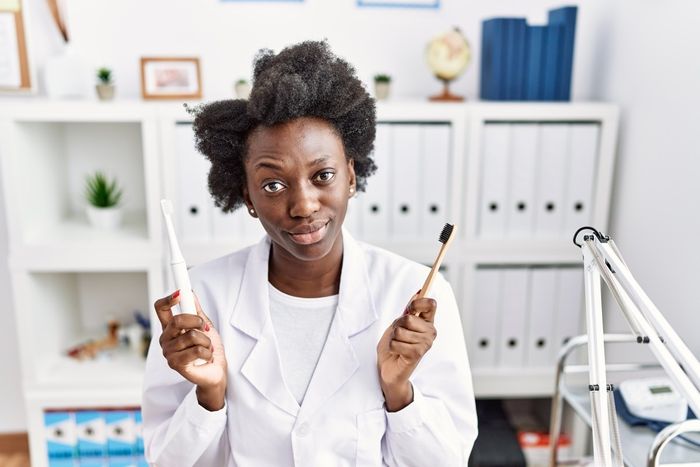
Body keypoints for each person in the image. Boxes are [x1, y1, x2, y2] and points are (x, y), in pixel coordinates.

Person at [142, 40, 477, 466]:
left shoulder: (415, 294)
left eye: (323, 175)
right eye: (273, 185)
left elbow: (447, 461)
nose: (303, 206)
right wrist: (209, 395)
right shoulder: (199, 301)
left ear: (351, 177)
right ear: (246, 195)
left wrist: (400, 393)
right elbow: (166, 461)